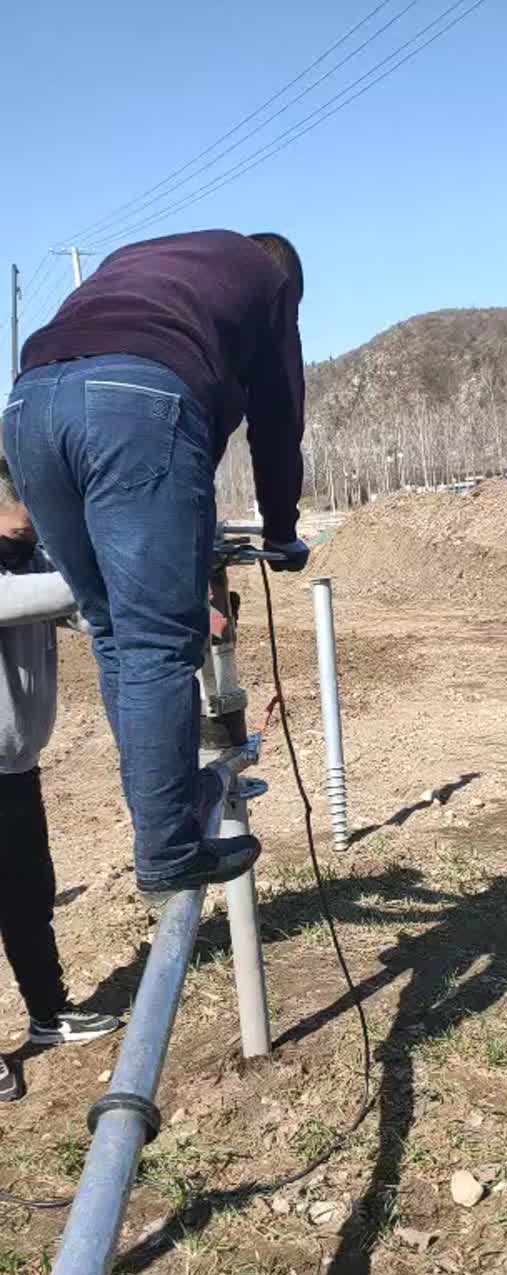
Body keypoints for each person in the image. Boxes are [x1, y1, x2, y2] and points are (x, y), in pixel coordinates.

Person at [1, 229, 310, 898]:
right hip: (131, 401)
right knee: (159, 640)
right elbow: (278, 415)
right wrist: (283, 532)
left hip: (28, 403)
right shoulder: (270, 277)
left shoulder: (146, 264)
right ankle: (169, 846)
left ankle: (164, 812)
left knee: (111, 624)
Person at [0, 459, 118, 1103]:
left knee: (28, 900)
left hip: (16, 768)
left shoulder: (30, 560)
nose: (40, 510)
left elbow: (82, 611)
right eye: (29, 498)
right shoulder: (26, 576)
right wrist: (122, 560)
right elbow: (57, 596)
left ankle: (49, 1015)